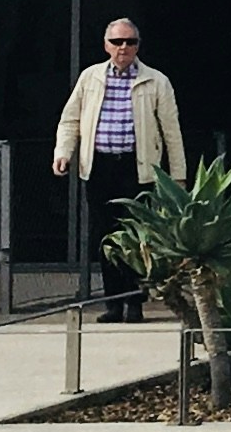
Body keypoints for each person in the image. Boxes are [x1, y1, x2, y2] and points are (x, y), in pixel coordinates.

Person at [51, 18, 187, 319]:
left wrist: (178, 176)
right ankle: (113, 304)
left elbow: (171, 132)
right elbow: (70, 119)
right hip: (99, 166)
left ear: (138, 46)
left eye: (130, 42)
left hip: (137, 168)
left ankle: (134, 302)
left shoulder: (156, 81)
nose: (123, 47)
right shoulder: (90, 77)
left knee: (137, 236)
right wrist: (63, 152)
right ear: (106, 45)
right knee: (106, 237)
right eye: (117, 42)